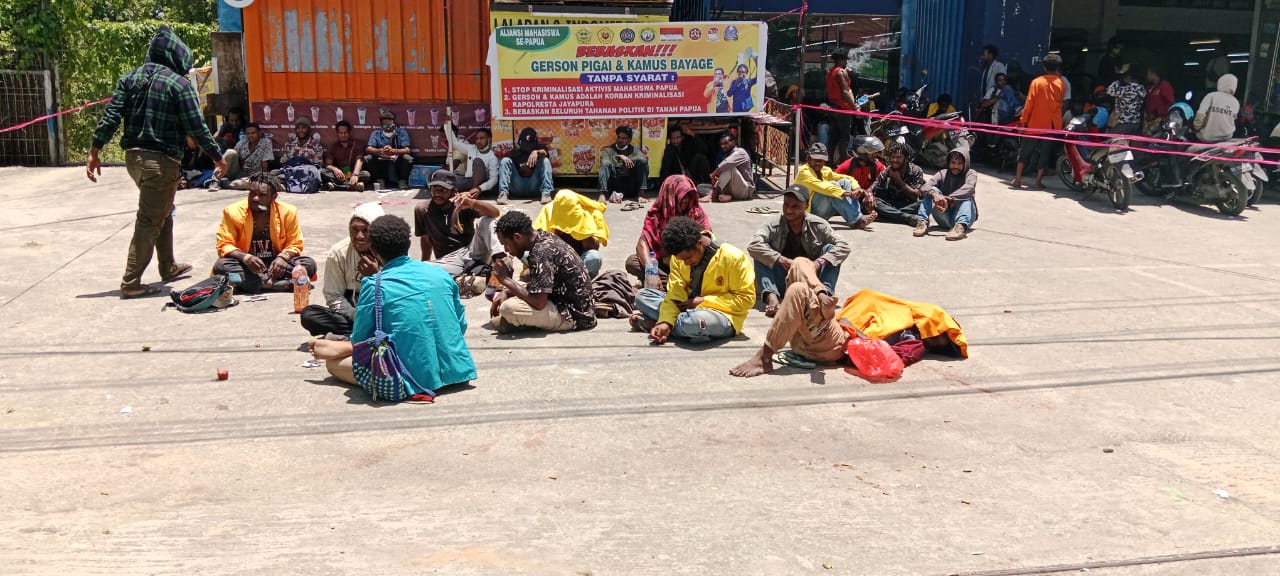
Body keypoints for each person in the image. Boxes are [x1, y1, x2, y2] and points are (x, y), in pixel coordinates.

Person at [87, 25, 226, 298]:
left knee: (164, 209)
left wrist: (95, 149)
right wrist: (218, 157)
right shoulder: (179, 83)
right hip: (161, 161)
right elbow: (197, 127)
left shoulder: (129, 79)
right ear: (175, 57)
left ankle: (168, 265)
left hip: (133, 159)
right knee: (150, 219)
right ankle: (131, 282)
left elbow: (111, 115)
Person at [310, 214, 477, 393]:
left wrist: (342, 349)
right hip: (458, 370)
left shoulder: (375, 283)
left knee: (333, 364)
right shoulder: (440, 273)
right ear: (408, 244)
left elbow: (361, 341)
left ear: (373, 250)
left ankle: (338, 347)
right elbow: (460, 325)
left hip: (410, 378)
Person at [632, 216, 755, 344]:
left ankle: (663, 325)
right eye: (682, 260)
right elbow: (675, 293)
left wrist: (704, 301)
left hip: (721, 315)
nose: (686, 263)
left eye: (688, 258)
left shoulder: (733, 258)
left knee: (696, 323)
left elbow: (746, 300)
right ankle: (671, 326)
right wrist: (665, 321)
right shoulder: (679, 259)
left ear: (699, 243)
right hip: (686, 307)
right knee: (642, 296)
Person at [729, 256, 847, 378]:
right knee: (799, 262)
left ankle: (764, 358)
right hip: (805, 340)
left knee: (797, 289)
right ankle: (821, 294)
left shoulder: (867, 301)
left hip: (830, 344)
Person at [748, 184, 850, 319]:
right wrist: (781, 259)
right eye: (786, 205)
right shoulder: (773, 224)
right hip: (784, 279)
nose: (789, 210)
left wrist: (818, 263)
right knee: (762, 252)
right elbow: (753, 245)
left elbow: (844, 246)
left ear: (806, 205)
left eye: (795, 206)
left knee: (831, 251)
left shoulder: (818, 224)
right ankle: (772, 297)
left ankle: (824, 295)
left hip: (812, 280)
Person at [490, 210, 597, 333]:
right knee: (524, 279)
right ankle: (523, 320)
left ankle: (524, 322)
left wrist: (505, 280)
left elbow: (539, 303)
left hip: (574, 315)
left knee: (508, 308)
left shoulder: (540, 253)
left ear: (517, 237)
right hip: (569, 300)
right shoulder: (543, 237)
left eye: (506, 244)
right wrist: (507, 291)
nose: (506, 250)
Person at [213, 174, 316, 293]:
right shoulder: (232, 212)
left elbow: (295, 243)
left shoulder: (288, 212)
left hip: (276, 265)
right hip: (248, 266)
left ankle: (253, 283)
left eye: (262, 195)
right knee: (221, 265)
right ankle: (272, 284)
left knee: (309, 264)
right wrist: (246, 257)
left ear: (274, 197)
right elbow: (224, 244)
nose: (255, 198)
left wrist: (283, 258)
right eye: (252, 193)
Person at [300, 202, 385, 337]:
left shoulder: (390, 250)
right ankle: (364, 333)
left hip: (383, 310)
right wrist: (358, 317)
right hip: (352, 311)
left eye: (366, 230)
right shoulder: (339, 252)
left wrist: (376, 276)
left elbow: (399, 293)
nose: (359, 236)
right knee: (309, 315)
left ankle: (361, 334)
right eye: (354, 230)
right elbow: (333, 296)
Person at [413, 170, 503, 277]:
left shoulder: (462, 203)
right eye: (434, 189)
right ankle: (476, 272)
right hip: (448, 259)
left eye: (442, 190)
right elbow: (425, 239)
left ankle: (501, 262)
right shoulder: (422, 209)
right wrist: (425, 262)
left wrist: (473, 202)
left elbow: (495, 213)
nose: (437, 193)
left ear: (453, 191)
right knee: (422, 271)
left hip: (471, 251)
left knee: (487, 221)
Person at [626, 175, 711, 287]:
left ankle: (676, 286)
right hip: (666, 265)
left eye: (688, 196)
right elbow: (643, 242)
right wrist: (651, 271)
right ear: (669, 195)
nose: (685, 200)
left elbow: (706, 244)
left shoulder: (696, 213)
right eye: (681, 196)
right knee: (633, 262)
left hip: (690, 265)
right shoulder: (656, 215)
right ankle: (667, 284)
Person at [1011, 53, 1066, 189]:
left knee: (1025, 152)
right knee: (1045, 154)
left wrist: (1023, 120)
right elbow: (1059, 104)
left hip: (1034, 124)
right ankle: (1038, 181)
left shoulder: (1036, 82)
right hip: (1051, 126)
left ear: (1044, 67)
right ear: (1058, 67)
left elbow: (1029, 103)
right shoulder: (1061, 84)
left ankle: (1017, 179)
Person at [533, 190, 609, 278]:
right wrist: (558, 230)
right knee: (527, 254)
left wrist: (580, 226)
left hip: (580, 262)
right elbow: (539, 243)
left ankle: (583, 279)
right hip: (555, 262)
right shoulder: (548, 211)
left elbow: (594, 247)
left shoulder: (590, 212)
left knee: (594, 257)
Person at [795, 142, 873, 229]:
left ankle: (855, 216)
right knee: (833, 185)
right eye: (815, 159)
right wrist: (850, 194)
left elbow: (848, 178)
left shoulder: (825, 170)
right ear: (809, 159)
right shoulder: (804, 172)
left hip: (823, 211)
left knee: (845, 182)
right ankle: (857, 220)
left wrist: (857, 188)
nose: (818, 163)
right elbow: (825, 188)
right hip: (809, 213)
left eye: (821, 160)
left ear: (825, 161)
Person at [914, 149, 978, 241]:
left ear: (965, 164)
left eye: (959, 163)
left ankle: (960, 228)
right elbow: (925, 187)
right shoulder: (942, 173)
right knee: (931, 191)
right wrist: (935, 195)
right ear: (949, 162)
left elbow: (969, 188)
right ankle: (922, 222)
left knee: (967, 195)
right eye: (953, 162)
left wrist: (950, 199)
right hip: (943, 216)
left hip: (964, 216)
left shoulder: (970, 174)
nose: (956, 166)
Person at [869, 143, 928, 226]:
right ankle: (905, 217)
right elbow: (871, 189)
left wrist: (898, 180)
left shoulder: (916, 170)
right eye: (892, 157)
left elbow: (915, 196)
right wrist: (869, 196)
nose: (894, 160)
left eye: (898, 157)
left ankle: (890, 215)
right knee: (872, 202)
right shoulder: (887, 171)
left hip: (908, 205)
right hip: (889, 204)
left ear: (906, 158)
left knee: (924, 202)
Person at [499, 127, 555, 205]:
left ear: (535, 142)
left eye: (530, 143)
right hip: (517, 187)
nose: (527, 146)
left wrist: (536, 152)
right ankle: (503, 194)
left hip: (534, 186)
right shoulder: (515, 152)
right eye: (525, 143)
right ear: (520, 141)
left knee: (545, 160)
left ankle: (546, 193)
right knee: (505, 160)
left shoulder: (540, 148)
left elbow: (544, 153)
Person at [444, 121, 498, 196]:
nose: (478, 141)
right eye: (477, 138)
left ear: (489, 139)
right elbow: (454, 143)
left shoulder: (492, 157)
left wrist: (480, 188)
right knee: (446, 179)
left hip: (482, 187)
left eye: (482, 138)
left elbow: (494, 179)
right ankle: (467, 193)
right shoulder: (471, 148)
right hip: (469, 181)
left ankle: (472, 194)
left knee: (477, 161)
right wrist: (447, 124)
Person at [823, 51, 858, 165]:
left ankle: (829, 161)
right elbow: (845, 92)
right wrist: (854, 108)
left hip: (833, 107)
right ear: (841, 60)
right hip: (843, 108)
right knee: (844, 137)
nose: (846, 62)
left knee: (834, 136)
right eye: (845, 60)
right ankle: (844, 163)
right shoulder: (841, 72)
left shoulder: (830, 72)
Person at [597, 126, 649, 201]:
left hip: (631, 187)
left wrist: (627, 159)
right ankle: (602, 194)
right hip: (614, 187)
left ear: (629, 140)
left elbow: (642, 159)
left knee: (643, 162)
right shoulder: (608, 150)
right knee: (605, 164)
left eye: (624, 138)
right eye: (619, 137)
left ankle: (642, 193)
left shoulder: (635, 151)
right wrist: (619, 156)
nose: (620, 140)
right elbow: (605, 161)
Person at [364, 110, 412, 189]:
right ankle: (380, 180)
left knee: (408, 158)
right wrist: (380, 151)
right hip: (382, 159)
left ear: (394, 124)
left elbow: (407, 150)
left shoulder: (401, 132)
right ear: (381, 126)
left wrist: (394, 151)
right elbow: (368, 148)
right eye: (385, 126)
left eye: (391, 126)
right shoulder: (376, 133)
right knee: (368, 158)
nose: (389, 128)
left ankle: (402, 181)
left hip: (397, 158)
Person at [323, 120, 370, 191]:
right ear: (337, 133)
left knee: (366, 174)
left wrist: (355, 174)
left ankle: (337, 186)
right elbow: (328, 165)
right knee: (323, 172)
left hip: (352, 172)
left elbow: (359, 159)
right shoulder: (333, 146)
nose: (343, 135)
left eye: (345, 133)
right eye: (341, 133)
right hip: (340, 174)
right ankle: (354, 186)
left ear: (349, 132)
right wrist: (336, 170)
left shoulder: (356, 144)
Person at [1194, 74, 1239, 144]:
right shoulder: (1236, 102)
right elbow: (1233, 120)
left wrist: (1196, 128)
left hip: (1206, 138)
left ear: (1220, 83)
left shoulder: (1211, 96)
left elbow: (1200, 114)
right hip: (1226, 140)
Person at [710, 131, 754, 202]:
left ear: (734, 142)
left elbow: (726, 164)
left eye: (725, 143)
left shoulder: (740, 152)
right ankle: (728, 196)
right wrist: (715, 181)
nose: (723, 146)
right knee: (701, 187)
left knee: (729, 168)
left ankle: (714, 195)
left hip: (745, 191)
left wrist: (713, 175)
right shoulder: (727, 155)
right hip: (732, 189)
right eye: (721, 144)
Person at [229, 123, 274, 189]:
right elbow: (233, 157)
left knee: (250, 184)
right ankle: (215, 180)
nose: (251, 136)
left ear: (259, 133)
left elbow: (265, 164)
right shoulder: (242, 143)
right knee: (230, 152)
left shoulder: (266, 143)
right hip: (239, 173)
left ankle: (225, 183)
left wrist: (264, 179)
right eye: (248, 134)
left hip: (254, 177)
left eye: (253, 133)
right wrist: (242, 165)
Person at [1106, 65, 1147, 135]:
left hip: (1123, 122)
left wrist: (1119, 76)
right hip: (1136, 123)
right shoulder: (1141, 88)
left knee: (1113, 142)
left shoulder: (1123, 89)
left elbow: (1109, 91)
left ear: (1128, 76)